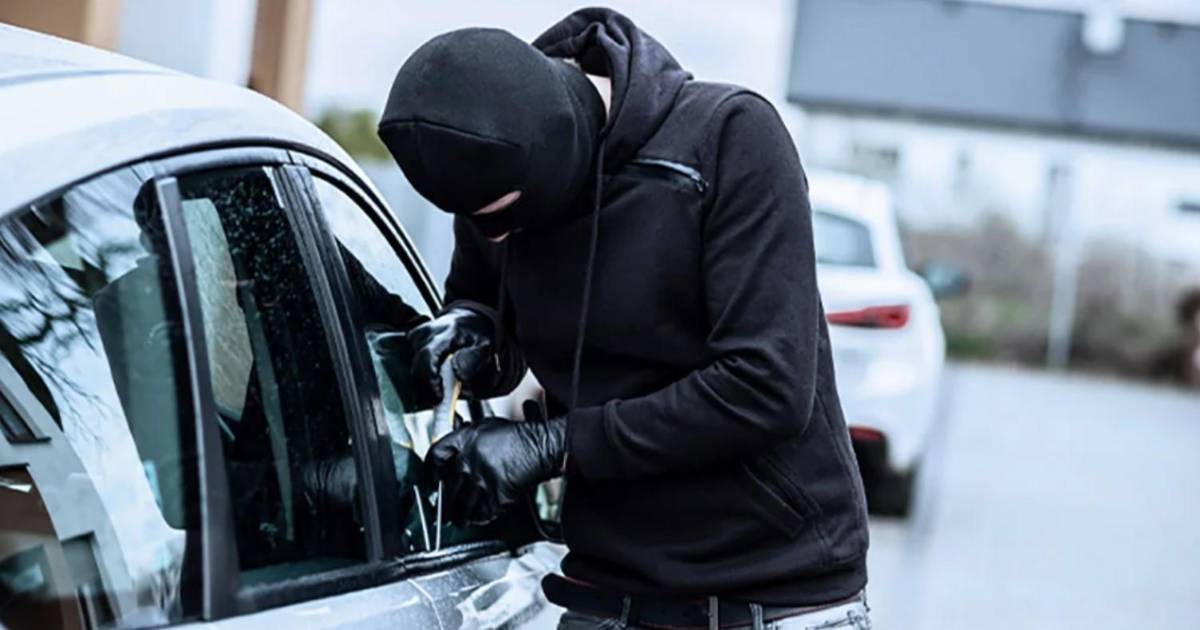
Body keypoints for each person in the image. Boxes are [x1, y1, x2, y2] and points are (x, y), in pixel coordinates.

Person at [378, 8, 871, 629]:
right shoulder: (490, 167)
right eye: (474, 220)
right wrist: (474, 331)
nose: (492, 235)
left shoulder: (729, 138)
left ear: (558, 151)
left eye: (502, 216)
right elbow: (494, 310)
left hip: (770, 594)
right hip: (607, 591)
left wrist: (553, 444)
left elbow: (766, 386)